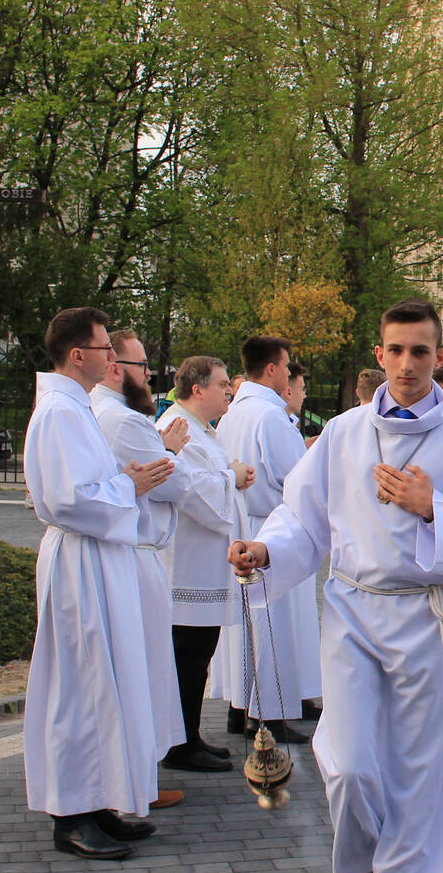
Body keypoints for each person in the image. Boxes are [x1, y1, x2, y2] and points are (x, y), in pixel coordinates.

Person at [227, 299, 443, 873]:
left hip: (425, 617)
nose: (408, 363)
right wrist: (266, 551)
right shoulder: (344, 432)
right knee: (352, 765)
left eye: (421, 351)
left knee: (415, 771)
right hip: (355, 612)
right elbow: (302, 518)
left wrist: (432, 508)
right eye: (396, 350)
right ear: (380, 354)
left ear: (439, 356)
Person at [22, 308, 176, 860]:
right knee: (81, 686)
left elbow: (89, 486)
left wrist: (126, 483)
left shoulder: (76, 406)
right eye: (105, 347)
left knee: (105, 685)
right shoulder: (60, 412)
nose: (113, 356)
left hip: (98, 557)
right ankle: (71, 815)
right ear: (76, 354)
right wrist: (130, 485)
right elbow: (69, 499)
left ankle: (100, 802)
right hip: (79, 562)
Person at [91, 331, 193, 772]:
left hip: (128, 551)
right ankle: (137, 775)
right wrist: (170, 450)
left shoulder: (99, 411)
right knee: (143, 668)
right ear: (116, 369)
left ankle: (135, 776)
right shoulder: (125, 421)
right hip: (136, 551)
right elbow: (177, 483)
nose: (150, 375)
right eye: (142, 366)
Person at [215, 335, 320, 744]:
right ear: (272, 369)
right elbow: (296, 478)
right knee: (274, 625)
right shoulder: (271, 416)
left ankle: (241, 707)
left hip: (245, 525)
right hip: (272, 530)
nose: (289, 372)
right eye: (287, 365)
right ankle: (270, 716)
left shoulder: (233, 413)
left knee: (250, 627)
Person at [157, 355, 252, 771]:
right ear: (197, 389)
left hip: (205, 563)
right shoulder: (177, 428)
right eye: (222, 384)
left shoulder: (203, 430)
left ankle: (190, 735)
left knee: (199, 655)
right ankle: (178, 745)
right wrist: (233, 477)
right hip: (187, 565)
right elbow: (191, 491)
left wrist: (231, 473)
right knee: (187, 656)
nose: (229, 390)